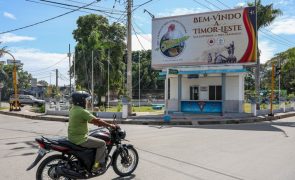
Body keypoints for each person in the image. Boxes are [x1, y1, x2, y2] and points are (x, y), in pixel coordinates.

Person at [68, 91, 116, 172]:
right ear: (81, 101)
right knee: (102, 144)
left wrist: (97, 122)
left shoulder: (73, 109)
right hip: (80, 139)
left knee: (94, 138)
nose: (87, 102)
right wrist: (111, 125)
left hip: (72, 137)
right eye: (86, 100)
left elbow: (91, 120)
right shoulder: (82, 111)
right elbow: (97, 120)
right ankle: (96, 166)